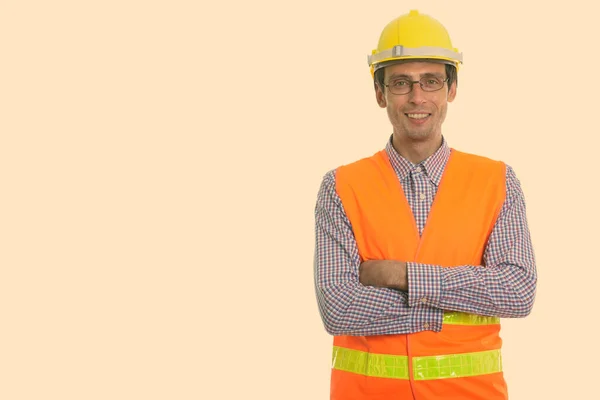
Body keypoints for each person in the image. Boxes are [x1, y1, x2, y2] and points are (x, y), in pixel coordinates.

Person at [313, 9, 537, 400]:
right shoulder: (341, 186)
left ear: (451, 89)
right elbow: (338, 307)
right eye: (401, 83)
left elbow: (517, 292)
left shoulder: (497, 181)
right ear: (380, 93)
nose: (417, 97)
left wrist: (402, 275)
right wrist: (449, 307)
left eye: (431, 81)